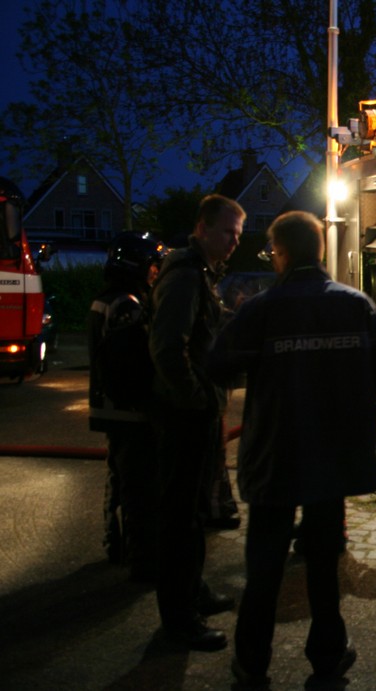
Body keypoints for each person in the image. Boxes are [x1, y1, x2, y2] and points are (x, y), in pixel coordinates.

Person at [207, 211, 376, 687]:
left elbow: (218, 363)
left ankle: (252, 662)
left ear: (283, 253)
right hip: (333, 458)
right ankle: (327, 657)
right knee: (324, 563)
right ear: (320, 250)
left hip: (275, 455)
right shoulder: (356, 306)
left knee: (264, 566)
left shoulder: (260, 310)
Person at [148, 193, 243, 651]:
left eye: (238, 235)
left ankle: (193, 591)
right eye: (228, 232)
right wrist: (198, 400)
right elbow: (168, 348)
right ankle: (180, 619)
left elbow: (207, 328)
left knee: (195, 512)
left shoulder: (201, 273)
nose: (234, 242)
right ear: (202, 228)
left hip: (195, 412)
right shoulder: (186, 276)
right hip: (185, 417)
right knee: (181, 518)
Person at [88, 232, 167, 583]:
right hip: (129, 412)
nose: (155, 272)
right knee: (139, 488)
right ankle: (143, 561)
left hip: (110, 409)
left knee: (119, 480)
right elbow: (134, 363)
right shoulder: (127, 305)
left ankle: (116, 544)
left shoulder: (104, 299)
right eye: (151, 265)